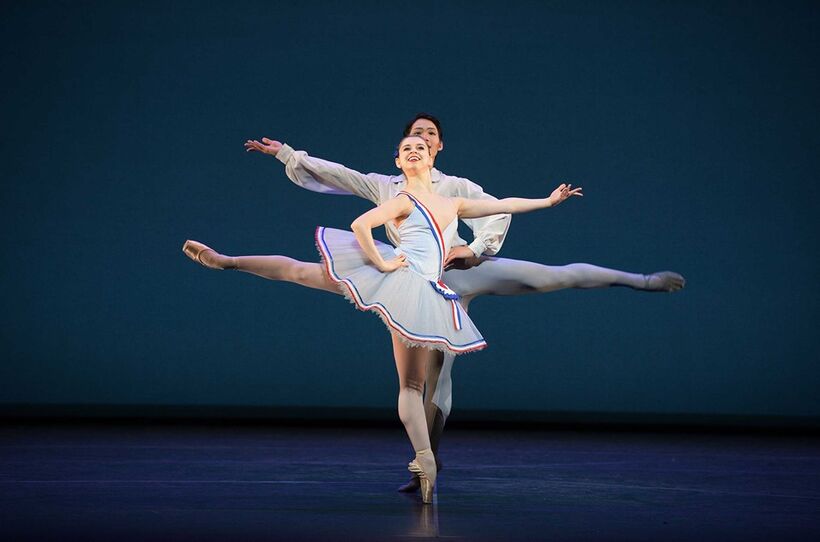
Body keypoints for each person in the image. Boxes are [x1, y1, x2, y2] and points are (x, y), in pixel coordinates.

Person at [241, 113, 685, 493]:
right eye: (415, 134)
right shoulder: (387, 186)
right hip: (419, 285)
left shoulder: (455, 187)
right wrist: (288, 154)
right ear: (401, 151)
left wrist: (476, 250)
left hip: (463, 270)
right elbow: (338, 174)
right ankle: (426, 464)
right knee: (433, 381)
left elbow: (498, 209)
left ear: (438, 146)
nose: (422, 140)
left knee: (550, 276)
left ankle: (641, 280)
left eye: (429, 134)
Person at [183, 135, 583, 503]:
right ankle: (227, 260)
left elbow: (504, 204)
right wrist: (382, 261)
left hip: (422, 291)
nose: (413, 151)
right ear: (397, 161)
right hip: (398, 279)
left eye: (420, 148)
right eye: (406, 148)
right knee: (302, 271)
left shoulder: (452, 203)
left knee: (413, 385)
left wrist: (547, 202)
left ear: (432, 159)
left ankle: (425, 459)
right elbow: (360, 224)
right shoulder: (402, 197)